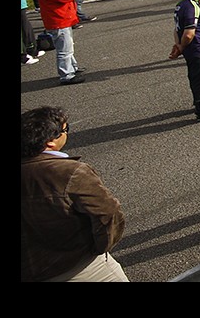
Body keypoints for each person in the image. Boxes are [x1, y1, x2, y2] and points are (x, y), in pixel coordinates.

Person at [21, 106, 129, 281]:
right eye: (66, 130)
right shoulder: (69, 172)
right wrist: (100, 248)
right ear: (50, 142)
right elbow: (108, 213)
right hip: (80, 267)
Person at [37, 0, 86, 85]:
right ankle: (66, 75)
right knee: (64, 49)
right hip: (58, 21)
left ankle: (72, 68)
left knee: (68, 47)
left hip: (62, 19)